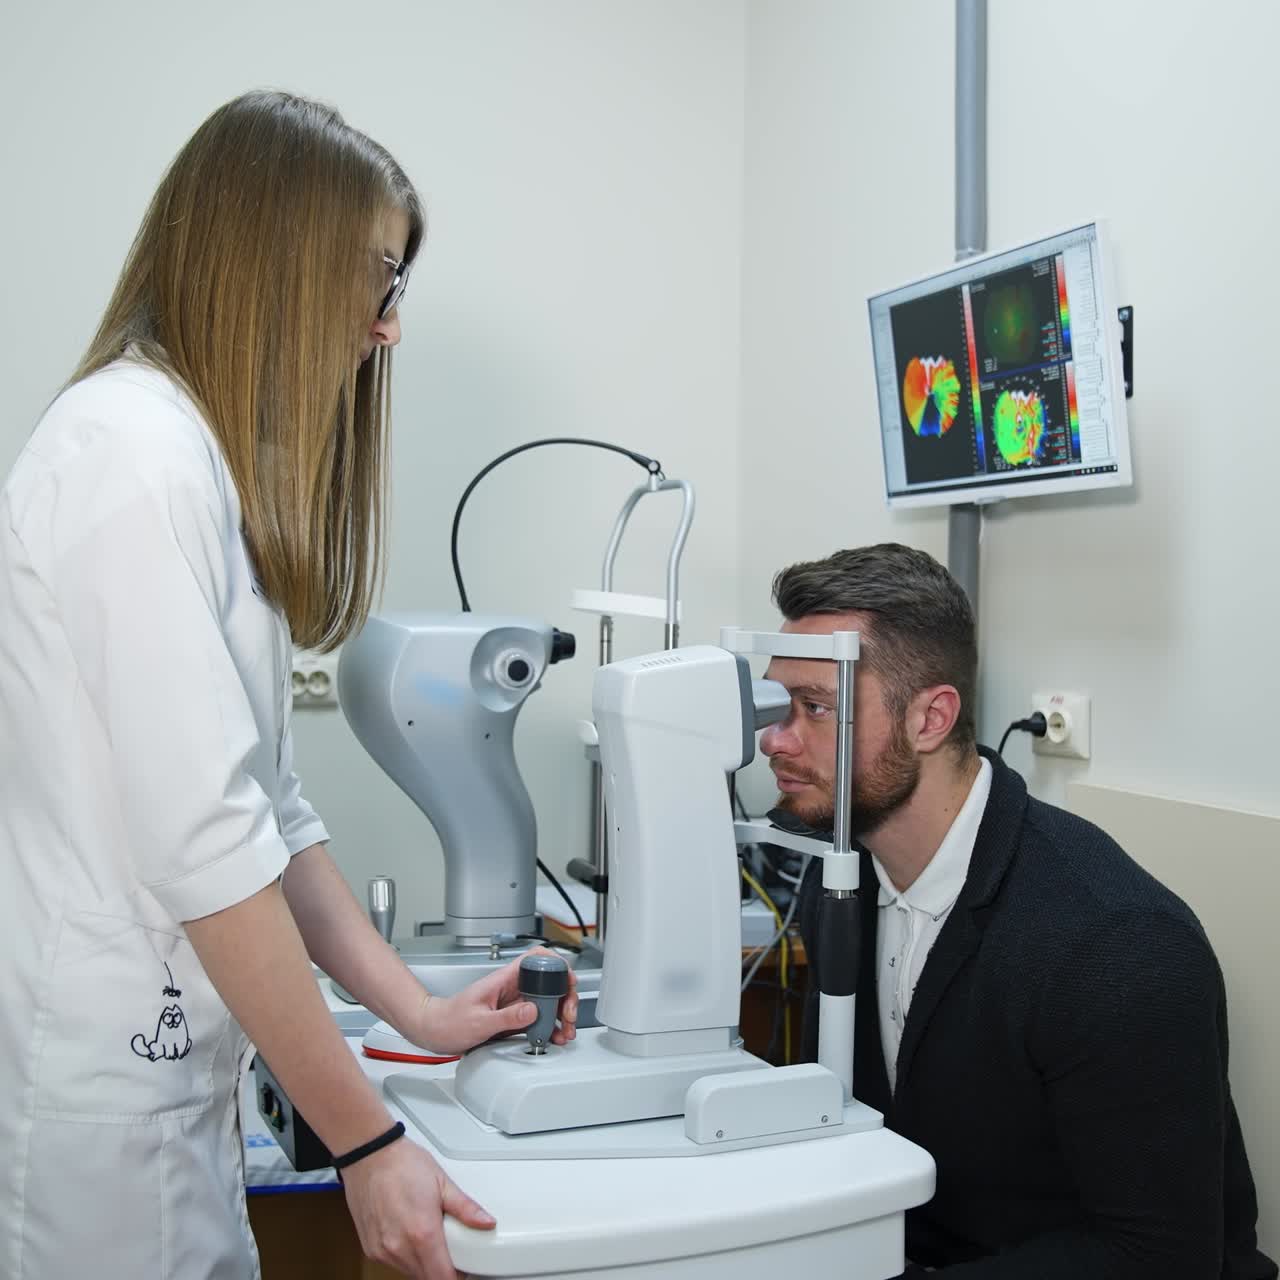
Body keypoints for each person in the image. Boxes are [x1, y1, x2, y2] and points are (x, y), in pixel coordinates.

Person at [0, 90, 576, 1280]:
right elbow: (211, 851)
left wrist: (418, 1014)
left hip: (174, 1077)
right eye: (380, 276)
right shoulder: (131, 456)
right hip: (106, 1104)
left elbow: (271, 815)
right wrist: (366, 1138)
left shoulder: (196, 462)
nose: (387, 325)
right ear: (279, 250)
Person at [757, 543, 1275, 1278]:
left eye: (815, 708)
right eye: (780, 707)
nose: (775, 739)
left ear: (931, 718)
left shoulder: (1115, 944)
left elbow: (1159, 1257)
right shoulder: (844, 872)